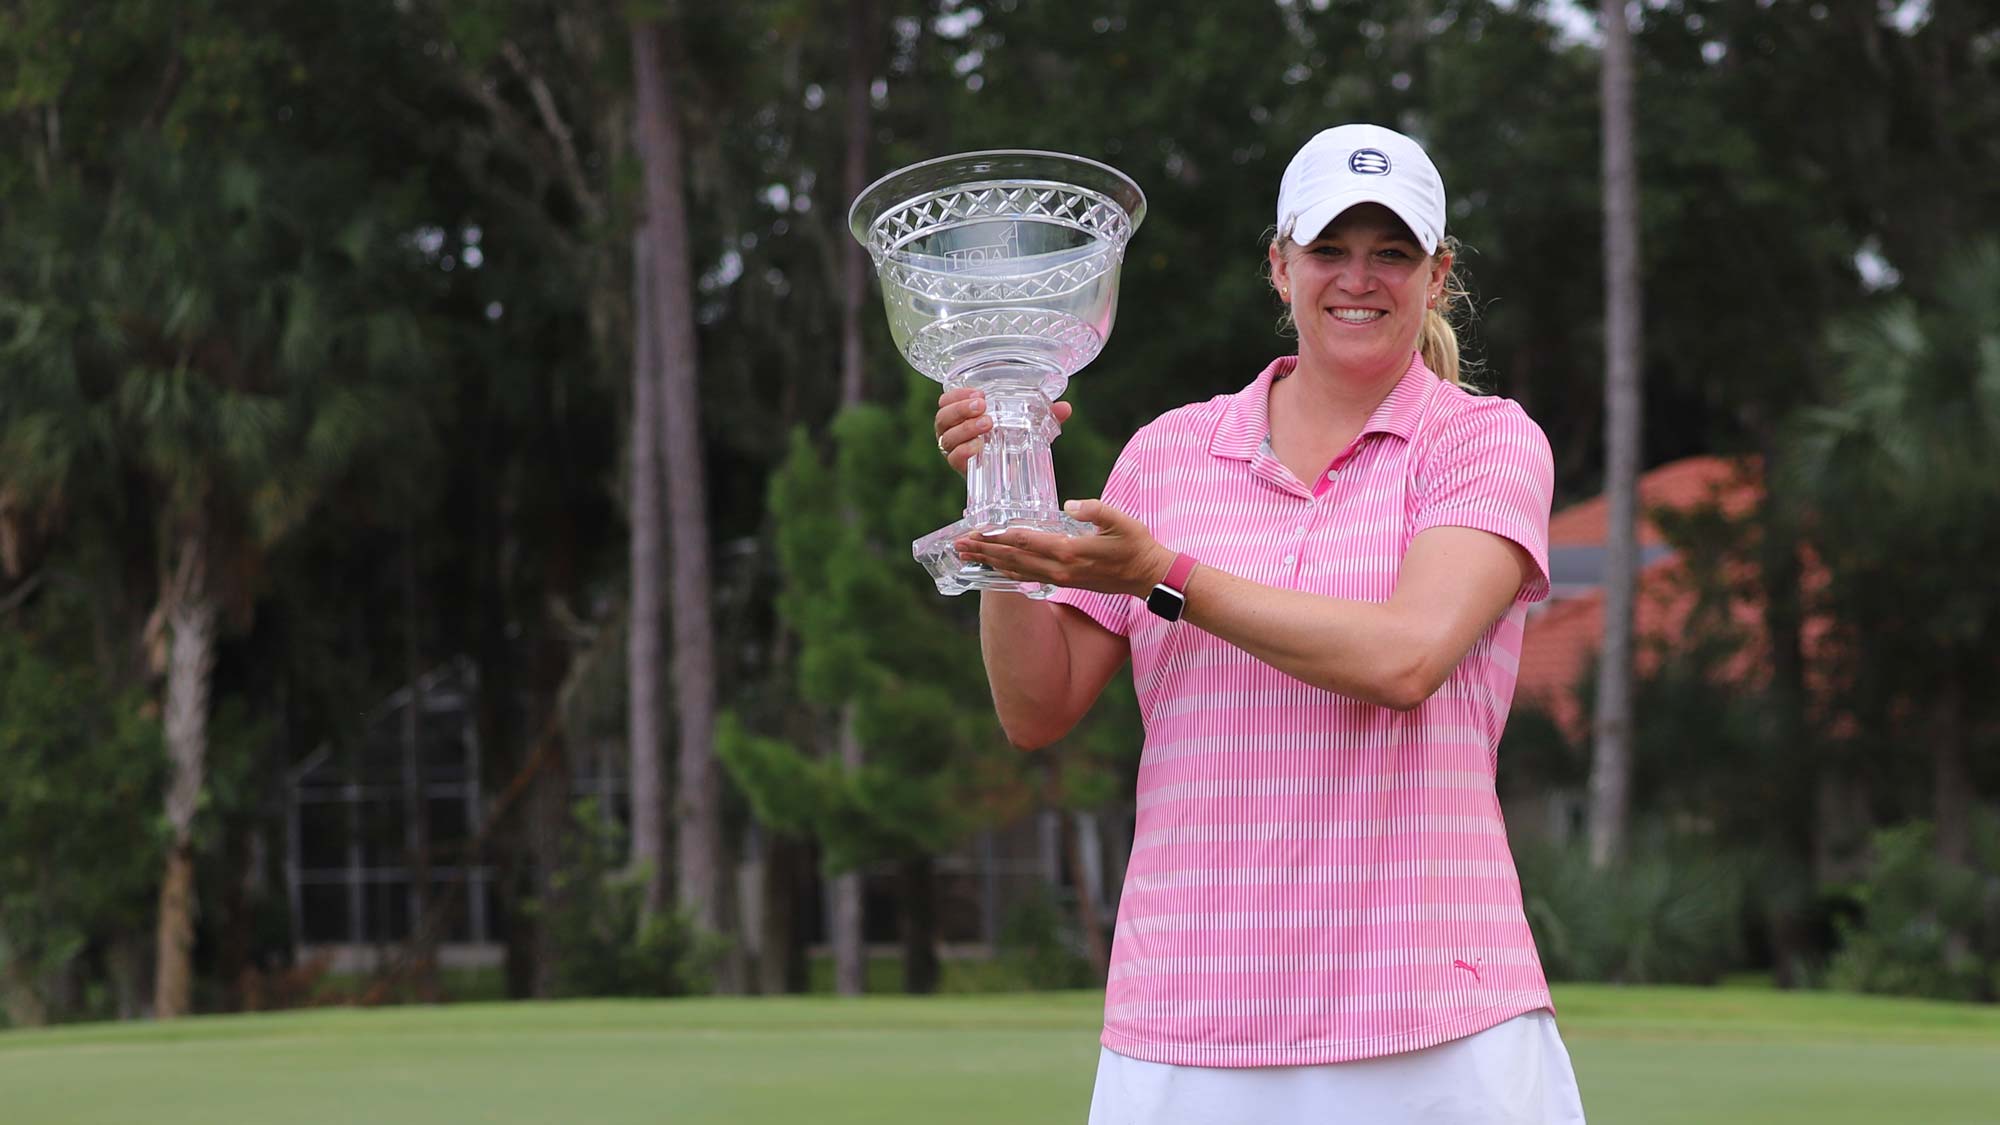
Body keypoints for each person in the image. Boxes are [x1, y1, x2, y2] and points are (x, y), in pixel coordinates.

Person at [932, 124, 1587, 1124]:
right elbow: (1036, 707)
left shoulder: (1483, 443)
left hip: (1435, 1021)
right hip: (1186, 1027)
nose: (1356, 279)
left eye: (1391, 253)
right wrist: (1006, 508)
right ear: (1279, 268)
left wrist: (1163, 574)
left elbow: (1405, 659)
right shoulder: (1167, 455)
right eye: (1328, 249)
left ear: (1436, 274)